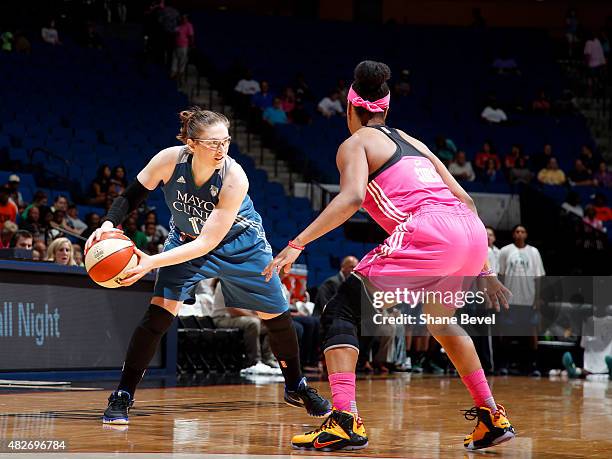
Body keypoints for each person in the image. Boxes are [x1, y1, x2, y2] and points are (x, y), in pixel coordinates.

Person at [263, 61, 515, 451]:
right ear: (385, 107)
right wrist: (484, 267)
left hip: (430, 230)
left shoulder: (355, 143)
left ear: (351, 107)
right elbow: (464, 199)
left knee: (340, 310)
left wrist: (297, 243)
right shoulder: (414, 141)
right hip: (470, 233)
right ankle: (491, 415)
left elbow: (351, 198)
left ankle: (344, 419)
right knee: (442, 323)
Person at [86, 107, 330, 425]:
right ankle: (123, 394)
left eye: (225, 141)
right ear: (191, 143)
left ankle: (296, 385)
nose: (221, 149)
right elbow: (131, 197)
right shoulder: (168, 161)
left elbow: (208, 243)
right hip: (186, 239)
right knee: (158, 315)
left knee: (277, 316)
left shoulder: (234, 176)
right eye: (213, 142)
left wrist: (150, 262)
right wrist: (107, 225)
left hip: (242, 245)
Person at [497, 225, 545, 376]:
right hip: (510, 300)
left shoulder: (534, 252)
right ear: (513, 235)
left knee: (531, 333)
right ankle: (504, 364)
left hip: (528, 300)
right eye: (517, 231)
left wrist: (537, 298)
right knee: (507, 333)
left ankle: (532, 365)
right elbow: (501, 275)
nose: (519, 234)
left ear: (526, 234)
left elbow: (538, 277)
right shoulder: (505, 251)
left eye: (522, 231)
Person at [207, 279, 281, 375]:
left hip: (236, 318)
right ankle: (255, 362)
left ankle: (268, 360)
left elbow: (251, 306)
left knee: (270, 324)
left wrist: (262, 316)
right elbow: (232, 310)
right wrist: (255, 317)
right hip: (222, 318)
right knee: (253, 323)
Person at [170, 14, 194, 83]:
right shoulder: (178, 26)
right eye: (182, 18)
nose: (183, 19)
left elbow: (191, 36)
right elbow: (174, 34)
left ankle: (180, 78)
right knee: (174, 60)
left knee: (182, 62)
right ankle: (173, 76)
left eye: (184, 18)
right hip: (176, 46)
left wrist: (191, 45)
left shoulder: (189, 25)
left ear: (187, 19)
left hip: (184, 46)